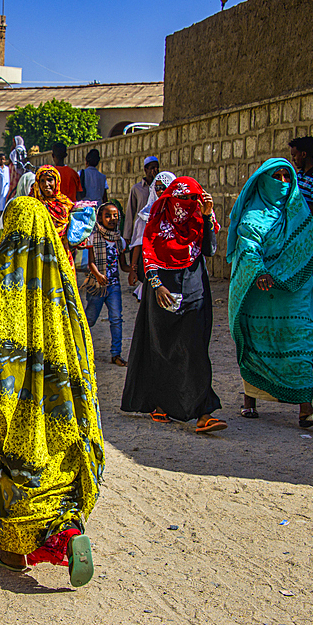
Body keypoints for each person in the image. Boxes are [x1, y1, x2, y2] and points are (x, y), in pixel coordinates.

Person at [0, 195, 104, 586]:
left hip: (9, 396)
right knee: (56, 459)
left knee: (5, 466)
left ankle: (11, 552)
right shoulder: (62, 283)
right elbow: (82, 347)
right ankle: (68, 532)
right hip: (57, 398)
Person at [227, 159, 313, 428]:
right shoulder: (252, 216)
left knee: (302, 343)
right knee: (258, 343)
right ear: (262, 181)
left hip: (295, 293)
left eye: (287, 177)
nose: (283, 182)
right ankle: (250, 400)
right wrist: (259, 271)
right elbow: (248, 247)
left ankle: (305, 409)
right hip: (260, 295)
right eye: (277, 177)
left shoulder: (299, 213)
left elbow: (309, 243)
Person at [121, 176, 226, 433]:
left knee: (195, 348)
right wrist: (157, 286)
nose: (188, 204)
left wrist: (208, 216)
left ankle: (204, 411)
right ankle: (161, 403)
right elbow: (149, 255)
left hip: (194, 288)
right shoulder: (156, 221)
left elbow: (209, 250)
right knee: (163, 348)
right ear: (170, 199)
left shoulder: (199, 221)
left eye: (193, 199)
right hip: (163, 292)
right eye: (183, 199)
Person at [81, 203, 128, 366]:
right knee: (90, 319)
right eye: (108, 216)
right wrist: (98, 275)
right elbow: (90, 262)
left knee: (116, 318)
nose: (112, 219)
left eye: (115, 215)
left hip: (113, 286)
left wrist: (134, 270)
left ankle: (116, 354)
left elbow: (123, 264)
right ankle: (80, 350)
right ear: (100, 218)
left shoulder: (119, 240)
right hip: (96, 286)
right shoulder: (93, 237)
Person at [127, 170, 176, 296]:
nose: (160, 191)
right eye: (157, 187)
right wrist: (133, 269)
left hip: (174, 267)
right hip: (153, 267)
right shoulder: (146, 215)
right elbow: (139, 243)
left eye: (164, 187)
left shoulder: (179, 214)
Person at [29, 165, 74, 261]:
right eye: (42, 181)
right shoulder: (33, 205)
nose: (46, 184)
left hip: (62, 252)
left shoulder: (65, 203)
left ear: (57, 182)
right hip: (40, 253)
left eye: (50, 180)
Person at [289, 136, 313, 232]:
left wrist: (293, 204)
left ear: (303, 154)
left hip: (309, 233)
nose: (293, 159)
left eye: (294, 155)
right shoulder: (300, 175)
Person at [124, 157, 159, 246]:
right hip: (141, 230)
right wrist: (127, 234)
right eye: (152, 168)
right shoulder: (137, 189)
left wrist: (157, 181)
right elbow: (130, 212)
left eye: (156, 168)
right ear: (145, 170)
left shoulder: (160, 188)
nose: (154, 171)